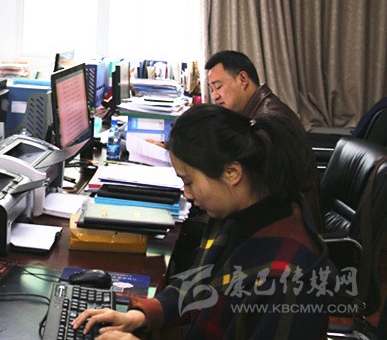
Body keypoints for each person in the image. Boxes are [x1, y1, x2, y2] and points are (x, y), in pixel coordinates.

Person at [73, 105, 332, 340]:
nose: (186, 194)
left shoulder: (287, 280)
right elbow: (201, 286)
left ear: (232, 173)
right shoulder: (237, 216)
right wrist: (140, 316)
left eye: (189, 181)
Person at [204, 50, 321, 226]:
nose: (215, 96)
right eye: (212, 89)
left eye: (218, 86)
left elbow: (257, 186)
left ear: (243, 79)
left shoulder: (269, 122)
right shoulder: (254, 113)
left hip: (291, 224)